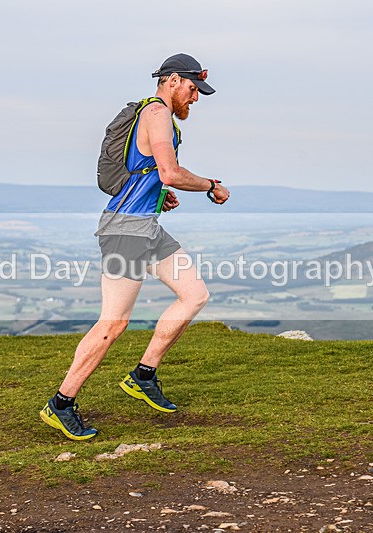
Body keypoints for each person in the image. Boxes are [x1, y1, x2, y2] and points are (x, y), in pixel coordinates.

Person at [40, 53, 230, 440]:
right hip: (126, 230)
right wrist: (211, 185)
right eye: (193, 88)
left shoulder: (160, 116)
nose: (195, 97)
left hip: (147, 226)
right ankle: (61, 403)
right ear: (172, 80)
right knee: (113, 323)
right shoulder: (157, 113)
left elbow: (151, 174)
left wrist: (158, 195)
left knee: (194, 295)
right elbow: (170, 172)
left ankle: (143, 375)